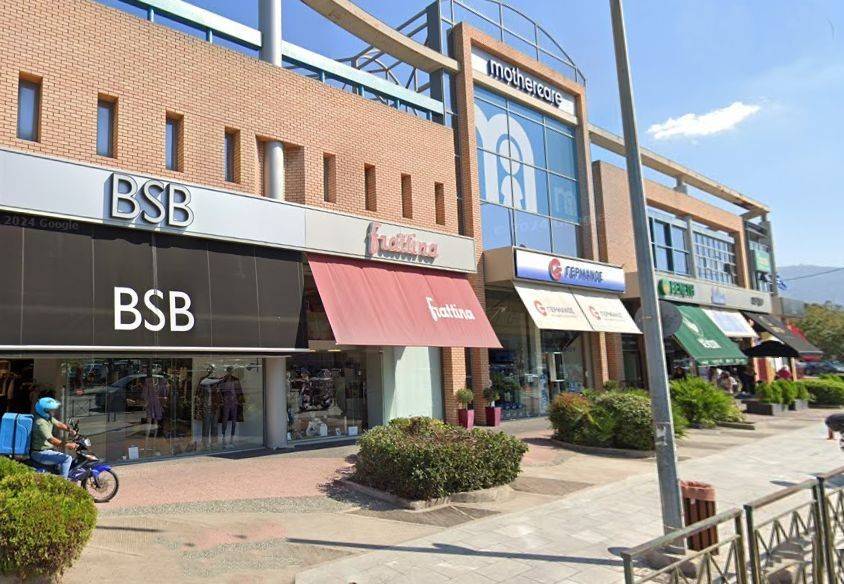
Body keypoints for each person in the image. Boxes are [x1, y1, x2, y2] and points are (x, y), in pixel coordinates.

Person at [30, 397, 77, 479]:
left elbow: (58, 424)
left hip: (46, 450)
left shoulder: (47, 417)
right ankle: (63, 482)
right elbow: (51, 440)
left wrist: (70, 430)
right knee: (67, 459)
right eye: (51, 410)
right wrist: (68, 445)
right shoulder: (41, 422)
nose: (53, 411)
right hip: (40, 453)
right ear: (44, 410)